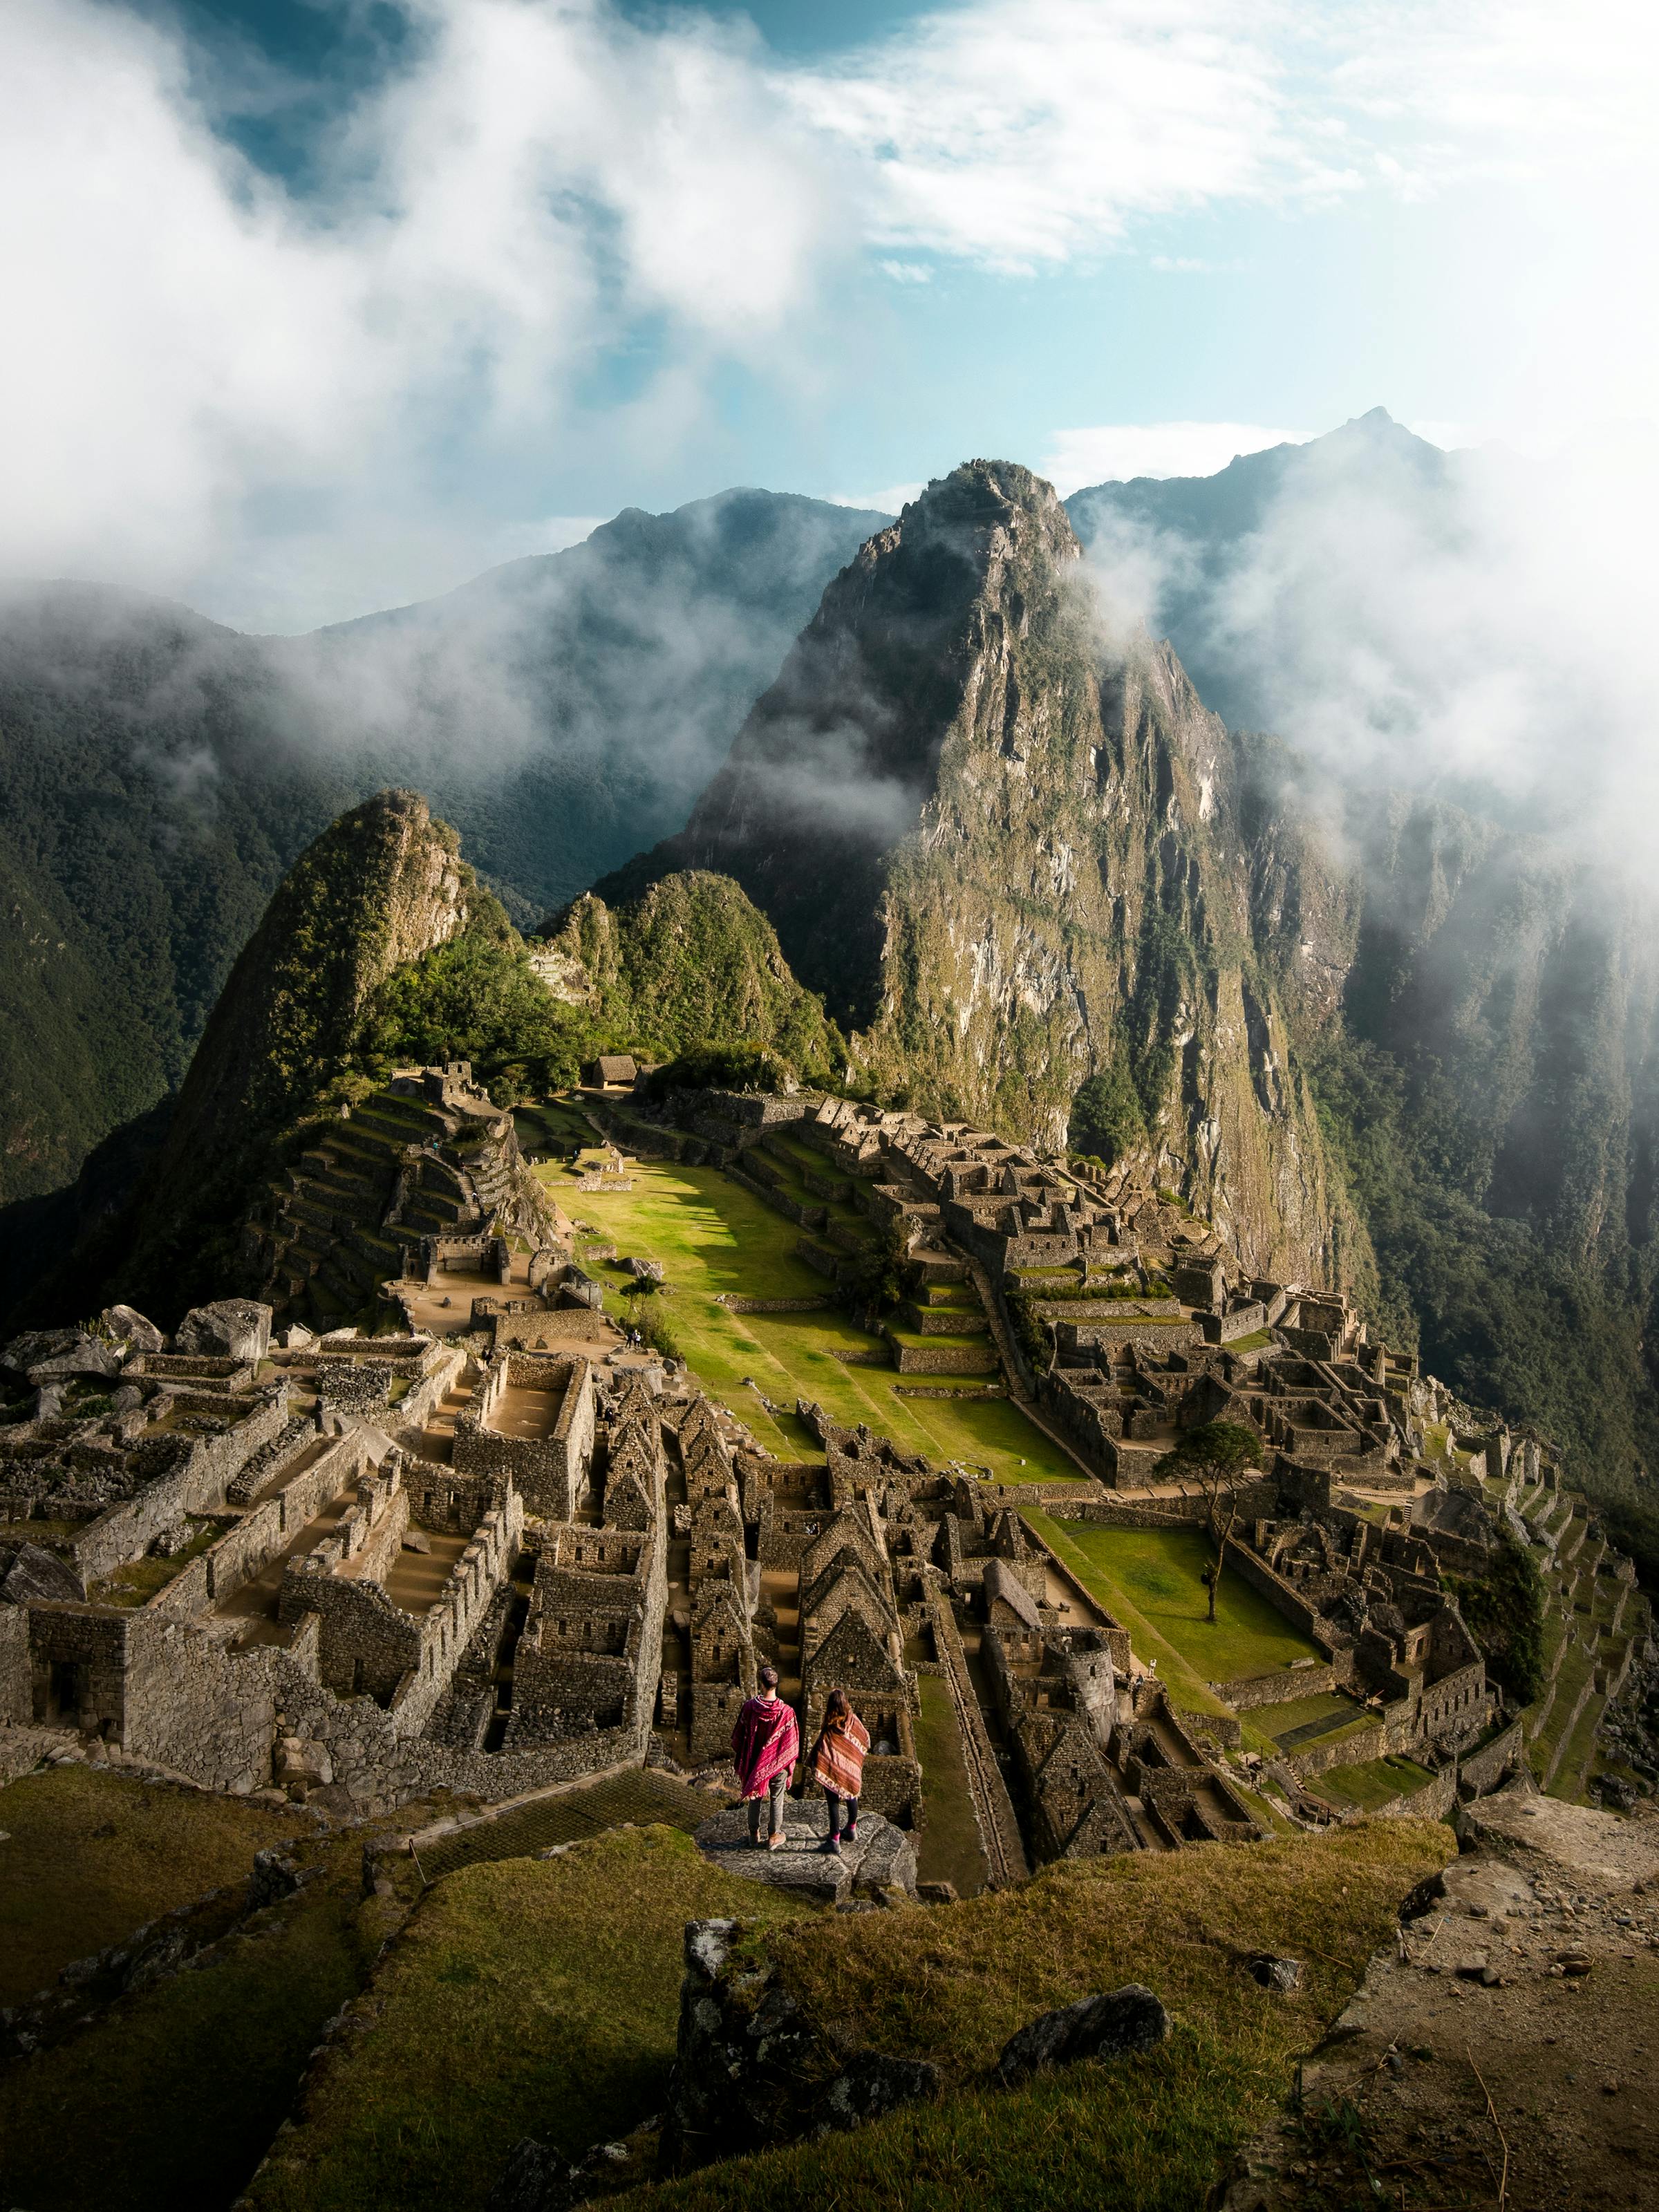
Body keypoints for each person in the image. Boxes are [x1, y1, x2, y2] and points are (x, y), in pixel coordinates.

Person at [731, 1666, 799, 1851]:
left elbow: (739, 1735)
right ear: (776, 1685)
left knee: (755, 1795)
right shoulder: (786, 1712)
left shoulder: (750, 1708)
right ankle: (773, 1836)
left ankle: (754, 1835)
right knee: (777, 1798)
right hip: (778, 1763)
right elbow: (791, 1742)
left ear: (762, 1684)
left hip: (755, 1761)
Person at [809, 1688, 870, 1855]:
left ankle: (835, 1839)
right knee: (852, 1796)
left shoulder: (830, 1729)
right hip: (852, 1771)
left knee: (833, 1803)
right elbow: (865, 1738)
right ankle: (851, 1828)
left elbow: (822, 1753)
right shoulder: (854, 1721)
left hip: (833, 1771)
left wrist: (816, 1762)